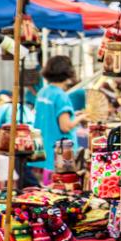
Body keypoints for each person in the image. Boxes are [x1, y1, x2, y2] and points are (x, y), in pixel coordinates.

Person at [29, 55, 82, 183]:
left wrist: (74, 114)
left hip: (42, 154)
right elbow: (65, 126)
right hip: (59, 157)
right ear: (67, 72)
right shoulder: (61, 96)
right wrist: (81, 117)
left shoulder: (43, 92)